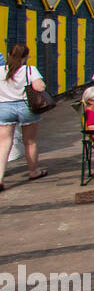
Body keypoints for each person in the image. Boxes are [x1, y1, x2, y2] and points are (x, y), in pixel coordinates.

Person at [0, 44, 47, 190]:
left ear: (8, 54)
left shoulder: (1, 70)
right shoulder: (29, 69)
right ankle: (33, 171)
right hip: (26, 107)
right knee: (30, 142)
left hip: (4, 107)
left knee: (3, 144)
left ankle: (0, 178)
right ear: (26, 56)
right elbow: (40, 87)